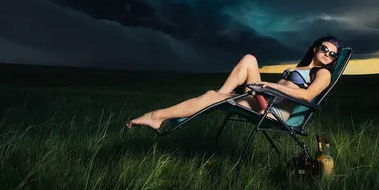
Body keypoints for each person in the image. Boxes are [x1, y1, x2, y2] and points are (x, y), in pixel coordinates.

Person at [126, 36, 341, 131]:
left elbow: (305, 96)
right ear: (315, 48)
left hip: (274, 110)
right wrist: (266, 87)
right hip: (264, 98)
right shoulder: (302, 67)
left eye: (333, 54)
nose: (328, 55)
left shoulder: (323, 73)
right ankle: (215, 99)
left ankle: (157, 116)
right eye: (325, 49)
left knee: (212, 97)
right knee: (249, 59)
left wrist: (272, 86)